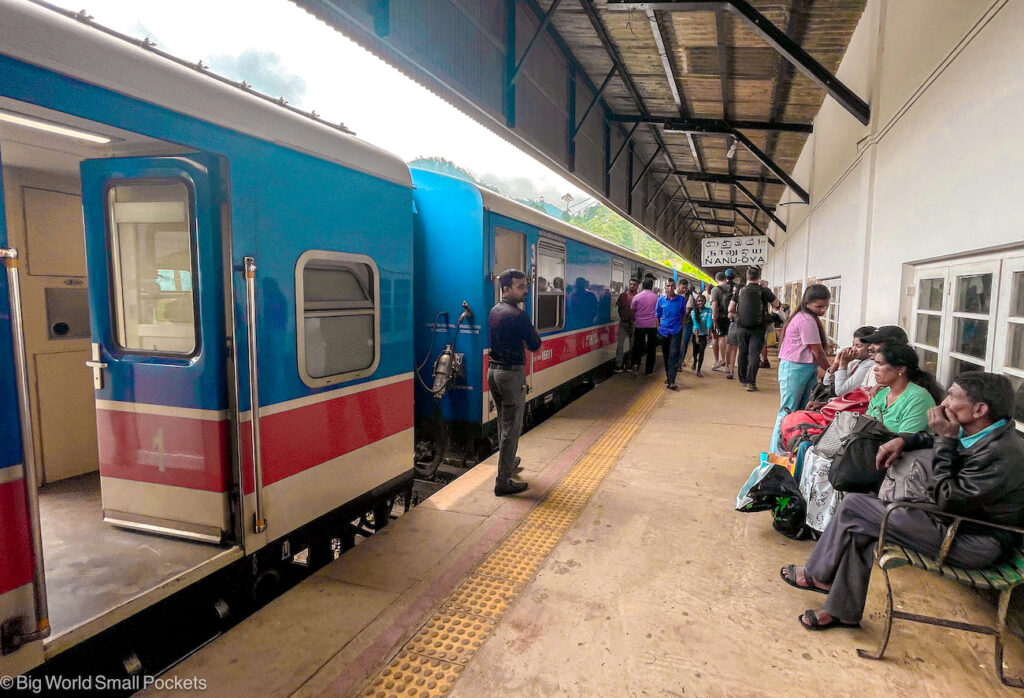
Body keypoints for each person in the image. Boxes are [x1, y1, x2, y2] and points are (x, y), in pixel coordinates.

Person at [782, 372, 1024, 631]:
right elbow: (936, 443)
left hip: (971, 541)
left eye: (953, 396)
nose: (943, 403)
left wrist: (944, 440)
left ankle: (818, 575)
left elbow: (947, 499)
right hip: (952, 522)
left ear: (979, 409)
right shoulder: (984, 433)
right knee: (861, 524)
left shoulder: (1002, 455)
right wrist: (903, 439)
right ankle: (841, 610)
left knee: (855, 505)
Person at [800, 344, 938, 532]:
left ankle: (828, 527)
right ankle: (815, 520)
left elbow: (905, 439)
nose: (875, 369)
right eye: (875, 363)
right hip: (869, 448)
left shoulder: (917, 398)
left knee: (832, 467)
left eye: (880, 364)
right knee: (813, 453)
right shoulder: (883, 393)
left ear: (901, 369)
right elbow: (867, 423)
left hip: (893, 459)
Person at [488, 268, 542, 496]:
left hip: (493, 372)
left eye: (526, 286)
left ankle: (508, 461)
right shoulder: (519, 315)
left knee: (503, 421)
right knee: (512, 427)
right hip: (511, 375)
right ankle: (503, 480)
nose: (526, 291)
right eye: (521, 287)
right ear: (506, 289)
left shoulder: (494, 311)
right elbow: (535, 344)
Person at [769, 284, 832, 453]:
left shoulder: (807, 318)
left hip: (804, 367)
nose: (823, 310)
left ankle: (789, 449)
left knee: (800, 411)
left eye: (826, 306)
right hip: (795, 369)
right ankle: (776, 451)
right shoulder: (805, 320)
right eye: (819, 306)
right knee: (788, 411)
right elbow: (816, 350)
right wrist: (832, 370)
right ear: (807, 303)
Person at [729, 267, 781, 391]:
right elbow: (777, 304)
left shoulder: (740, 290)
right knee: (754, 355)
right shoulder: (764, 290)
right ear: (759, 277)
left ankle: (742, 379)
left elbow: (730, 309)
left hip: (741, 327)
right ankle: (751, 383)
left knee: (743, 352)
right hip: (758, 328)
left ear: (747, 277)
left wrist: (739, 316)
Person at [820, 326, 876, 397]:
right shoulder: (855, 362)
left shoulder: (869, 365)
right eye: (853, 345)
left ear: (870, 348)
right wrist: (836, 364)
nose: (853, 349)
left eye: (858, 346)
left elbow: (840, 392)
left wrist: (843, 365)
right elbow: (826, 383)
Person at [656, 279, 686, 391]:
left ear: (675, 287)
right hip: (663, 331)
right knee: (666, 354)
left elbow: (684, 314)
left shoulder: (681, 300)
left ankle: (672, 381)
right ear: (665, 287)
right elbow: (657, 315)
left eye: (672, 286)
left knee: (673, 354)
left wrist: (681, 326)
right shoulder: (660, 300)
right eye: (668, 286)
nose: (670, 288)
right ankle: (669, 377)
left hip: (676, 331)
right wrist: (658, 327)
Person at [630, 277, 660, 376]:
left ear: (642, 285)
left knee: (638, 346)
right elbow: (659, 312)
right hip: (652, 325)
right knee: (651, 348)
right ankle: (649, 370)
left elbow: (633, 310)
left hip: (640, 325)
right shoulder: (656, 297)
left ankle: (635, 365)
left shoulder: (637, 297)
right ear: (652, 286)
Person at [710, 272, 734, 375]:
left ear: (716, 279)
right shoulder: (733, 288)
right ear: (725, 278)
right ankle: (728, 364)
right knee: (729, 340)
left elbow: (714, 306)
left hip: (719, 317)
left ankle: (719, 361)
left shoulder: (715, 289)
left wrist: (714, 319)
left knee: (717, 338)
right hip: (731, 316)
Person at [614, 277, 639, 372]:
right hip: (623, 322)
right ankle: (618, 364)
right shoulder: (623, 295)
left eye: (634, 284)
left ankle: (629, 364)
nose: (632, 286)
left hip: (634, 323)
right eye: (631, 284)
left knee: (632, 345)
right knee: (620, 344)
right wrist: (622, 317)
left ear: (637, 286)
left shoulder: (639, 296)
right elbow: (618, 307)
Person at [677, 278, 701, 371]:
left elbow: (687, 311)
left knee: (684, 342)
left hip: (686, 322)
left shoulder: (689, 296)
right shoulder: (673, 294)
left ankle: (680, 361)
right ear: (678, 286)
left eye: (685, 288)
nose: (684, 290)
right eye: (683, 288)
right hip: (674, 322)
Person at [690, 295, 713, 377]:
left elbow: (709, 323)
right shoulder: (693, 312)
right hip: (695, 334)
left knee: (701, 352)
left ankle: (698, 370)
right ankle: (694, 361)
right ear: (696, 302)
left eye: (702, 301)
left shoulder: (709, 310)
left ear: (705, 301)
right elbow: (696, 325)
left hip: (704, 335)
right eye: (699, 301)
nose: (700, 302)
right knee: (695, 352)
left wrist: (709, 335)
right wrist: (696, 337)